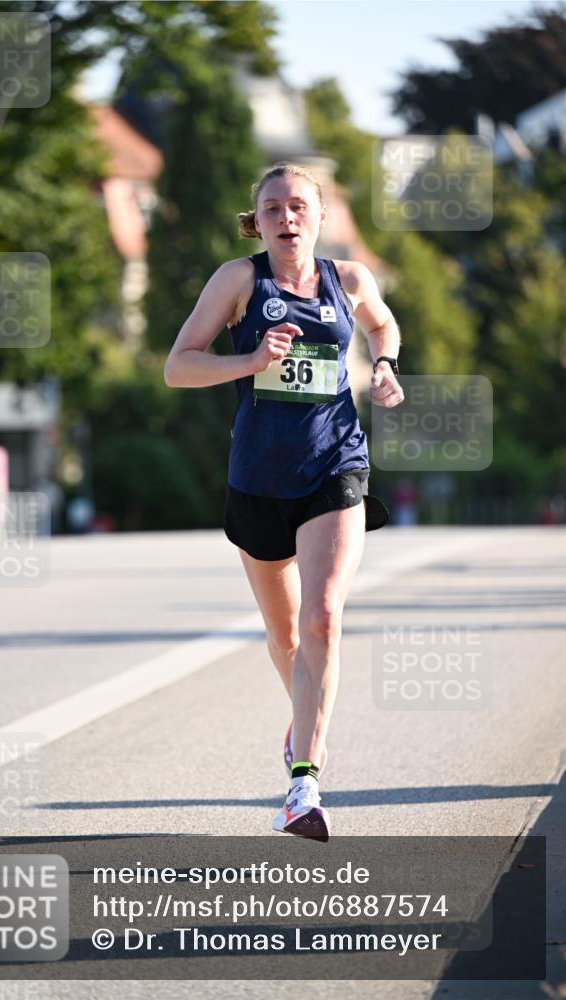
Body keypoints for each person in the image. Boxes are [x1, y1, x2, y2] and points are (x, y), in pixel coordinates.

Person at [164, 162, 404, 842]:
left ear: (319, 216)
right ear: (257, 220)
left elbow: (383, 327)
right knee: (286, 635)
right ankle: (299, 726)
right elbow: (178, 366)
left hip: (334, 467)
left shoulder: (348, 279)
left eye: (297, 205)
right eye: (272, 208)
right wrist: (247, 361)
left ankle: (304, 781)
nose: (285, 216)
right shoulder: (238, 281)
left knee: (324, 618)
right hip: (257, 480)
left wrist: (383, 366)